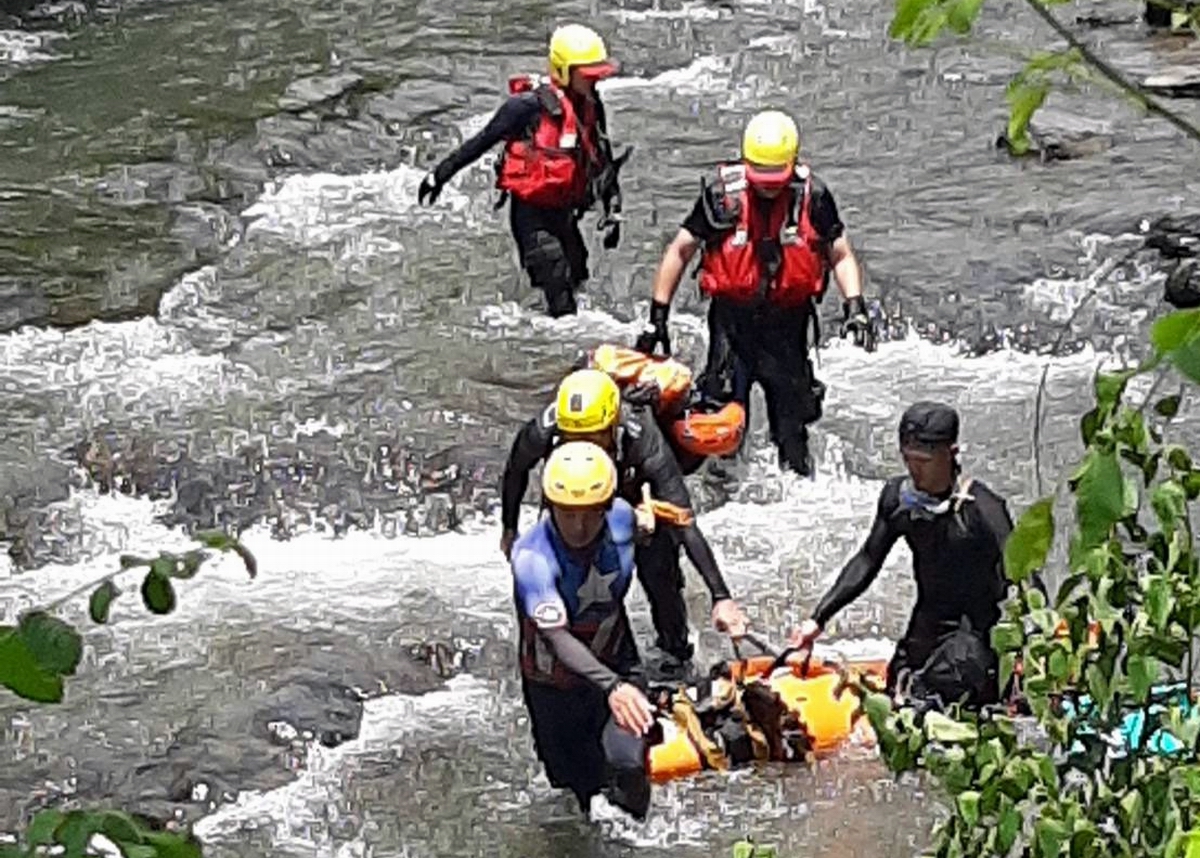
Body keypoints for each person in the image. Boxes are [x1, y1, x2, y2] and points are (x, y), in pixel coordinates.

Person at [634, 109, 877, 476]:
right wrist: (658, 317)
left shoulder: (814, 196)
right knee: (719, 425)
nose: (767, 185)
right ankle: (720, 494)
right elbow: (680, 250)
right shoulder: (721, 196)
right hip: (733, 324)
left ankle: (796, 491)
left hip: (787, 325)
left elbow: (839, 253)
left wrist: (854, 306)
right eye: (760, 177)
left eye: (775, 178)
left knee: (792, 425)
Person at [501, 368, 749, 675]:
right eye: (572, 439)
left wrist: (720, 596)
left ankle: (674, 654)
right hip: (572, 499)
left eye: (592, 438)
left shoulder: (641, 436)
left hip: (635, 501)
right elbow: (515, 470)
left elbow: (683, 519)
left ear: (612, 426)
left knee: (660, 569)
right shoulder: (546, 428)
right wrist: (509, 528)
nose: (583, 447)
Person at [788, 402, 1019, 708]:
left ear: (951, 453)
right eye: (908, 459)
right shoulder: (898, 500)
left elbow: (1025, 577)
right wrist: (818, 619)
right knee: (900, 683)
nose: (914, 470)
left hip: (977, 632)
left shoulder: (984, 511)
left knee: (936, 690)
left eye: (923, 460)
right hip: (928, 623)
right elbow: (868, 560)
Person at [417, 23, 630, 318]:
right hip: (531, 215)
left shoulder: (592, 105)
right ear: (564, 70)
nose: (594, 82)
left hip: (565, 213)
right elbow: (481, 142)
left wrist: (613, 210)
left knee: (578, 275)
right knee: (559, 292)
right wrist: (438, 176)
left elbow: (602, 159)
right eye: (588, 75)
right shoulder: (527, 107)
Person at [510, 441, 655, 819]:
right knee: (577, 792)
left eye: (591, 514)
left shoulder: (623, 518)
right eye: (567, 514)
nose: (579, 527)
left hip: (618, 661)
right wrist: (611, 687)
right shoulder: (532, 559)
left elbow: (648, 525)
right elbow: (557, 638)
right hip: (555, 689)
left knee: (628, 765)